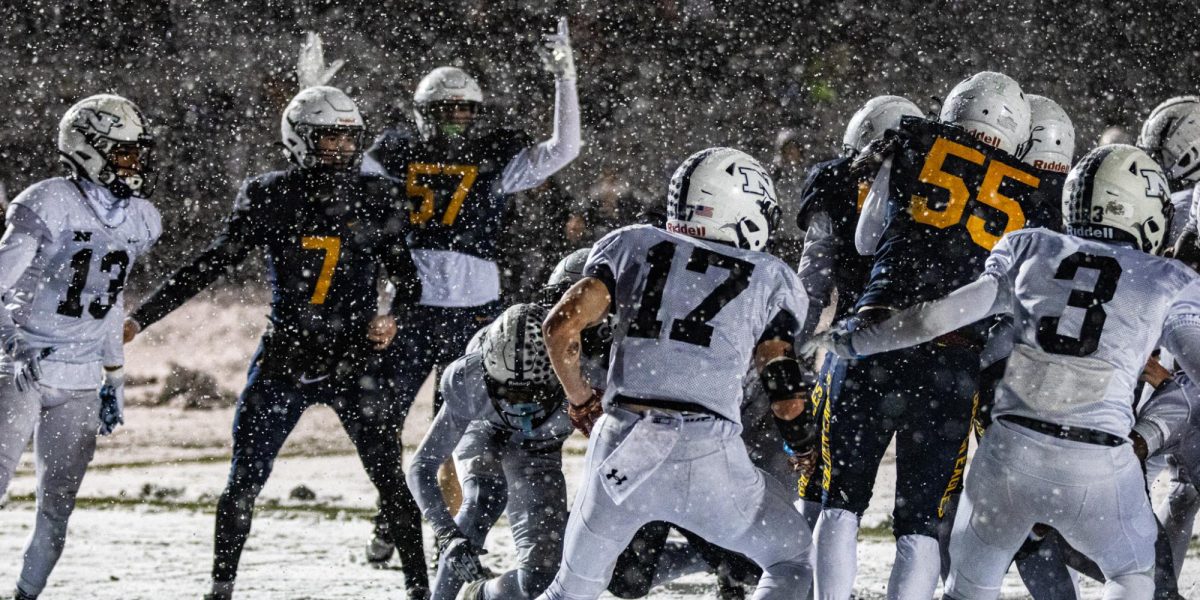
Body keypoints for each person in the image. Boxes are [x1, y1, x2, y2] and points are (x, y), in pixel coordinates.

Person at [809, 143, 1198, 600]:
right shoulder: (1168, 278)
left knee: (968, 589)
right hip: (1099, 462)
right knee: (1134, 576)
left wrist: (854, 340)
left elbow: (934, 319)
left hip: (1009, 454)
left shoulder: (1031, 245)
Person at [122, 86, 428, 600]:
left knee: (390, 478)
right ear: (300, 139)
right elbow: (213, 263)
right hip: (287, 354)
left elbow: (409, 278)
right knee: (245, 479)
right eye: (328, 138)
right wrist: (142, 317)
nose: (340, 149)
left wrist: (392, 314)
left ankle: (421, 588)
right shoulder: (271, 193)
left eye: (348, 138)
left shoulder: (377, 195)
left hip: (354, 357)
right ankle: (221, 588)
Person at [538, 147, 814, 600]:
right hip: (706, 452)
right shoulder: (769, 275)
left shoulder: (632, 244)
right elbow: (782, 386)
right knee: (792, 561)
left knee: (570, 590)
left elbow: (559, 327)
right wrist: (801, 442)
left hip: (623, 444)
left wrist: (581, 398)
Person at [812, 71, 1043, 599]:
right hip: (952, 360)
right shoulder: (1032, 190)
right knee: (918, 525)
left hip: (875, 335)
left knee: (841, 503)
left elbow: (867, 241)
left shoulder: (917, 141)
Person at [360, 18, 580, 561]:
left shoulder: (483, 155)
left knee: (452, 434)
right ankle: (396, 512)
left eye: (466, 109)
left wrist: (565, 80)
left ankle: (444, 533)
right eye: (447, 109)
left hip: (473, 313)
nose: (459, 119)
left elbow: (563, 148)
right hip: (414, 307)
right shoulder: (395, 151)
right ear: (422, 113)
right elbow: (342, 169)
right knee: (385, 423)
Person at [0, 94, 160, 600]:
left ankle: (26, 595)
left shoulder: (140, 218)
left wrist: (115, 376)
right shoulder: (48, 200)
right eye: (123, 151)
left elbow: (108, 301)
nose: (133, 163)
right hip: (24, 366)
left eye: (137, 152)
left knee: (58, 504)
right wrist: (9, 345)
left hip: (82, 378)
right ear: (87, 149)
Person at [793, 94, 922, 537]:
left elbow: (813, 277)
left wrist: (795, 344)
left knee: (826, 492)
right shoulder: (942, 183)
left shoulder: (836, 180)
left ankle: (804, 580)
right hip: (932, 348)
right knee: (927, 511)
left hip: (854, 344)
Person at [407, 303, 572, 600]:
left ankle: (480, 595)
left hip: (539, 447)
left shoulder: (589, 374)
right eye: (509, 393)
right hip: (487, 427)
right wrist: (447, 535)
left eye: (532, 395)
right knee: (484, 496)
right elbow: (422, 464)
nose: (521, 408)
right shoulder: (469, 380)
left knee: (538, 579)